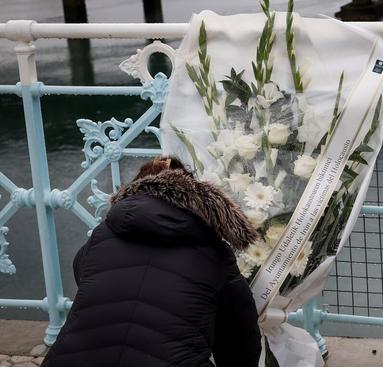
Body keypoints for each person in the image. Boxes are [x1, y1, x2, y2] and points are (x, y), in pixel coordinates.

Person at [43, 156, 262, 367]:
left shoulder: (103, 234)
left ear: (135, 188)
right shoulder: (215, 253)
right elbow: (240, 340)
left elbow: (82, 272)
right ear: (195, 196)